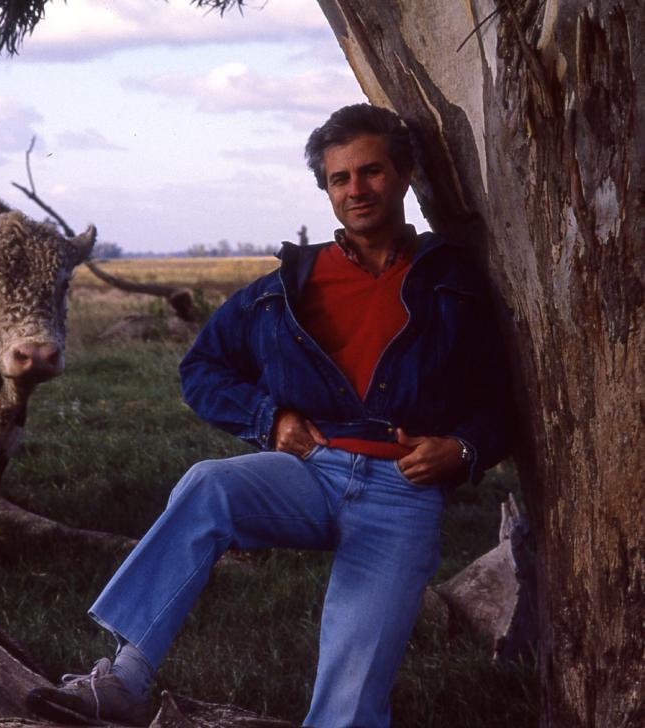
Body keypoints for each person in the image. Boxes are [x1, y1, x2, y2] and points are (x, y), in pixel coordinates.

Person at [25, 104, 512, 728]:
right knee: (208, 485)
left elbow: (502, 398)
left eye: (371, 172)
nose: (356, 190)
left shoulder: (453, 281)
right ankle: (126, 678)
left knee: (352, 700)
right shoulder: (287, 285)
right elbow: (199, 369)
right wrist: (269, 419)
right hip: (312, 471)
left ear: (404, 175)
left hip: (403, 491)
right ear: (326, 190)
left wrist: (465, 449)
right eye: (340, 179)